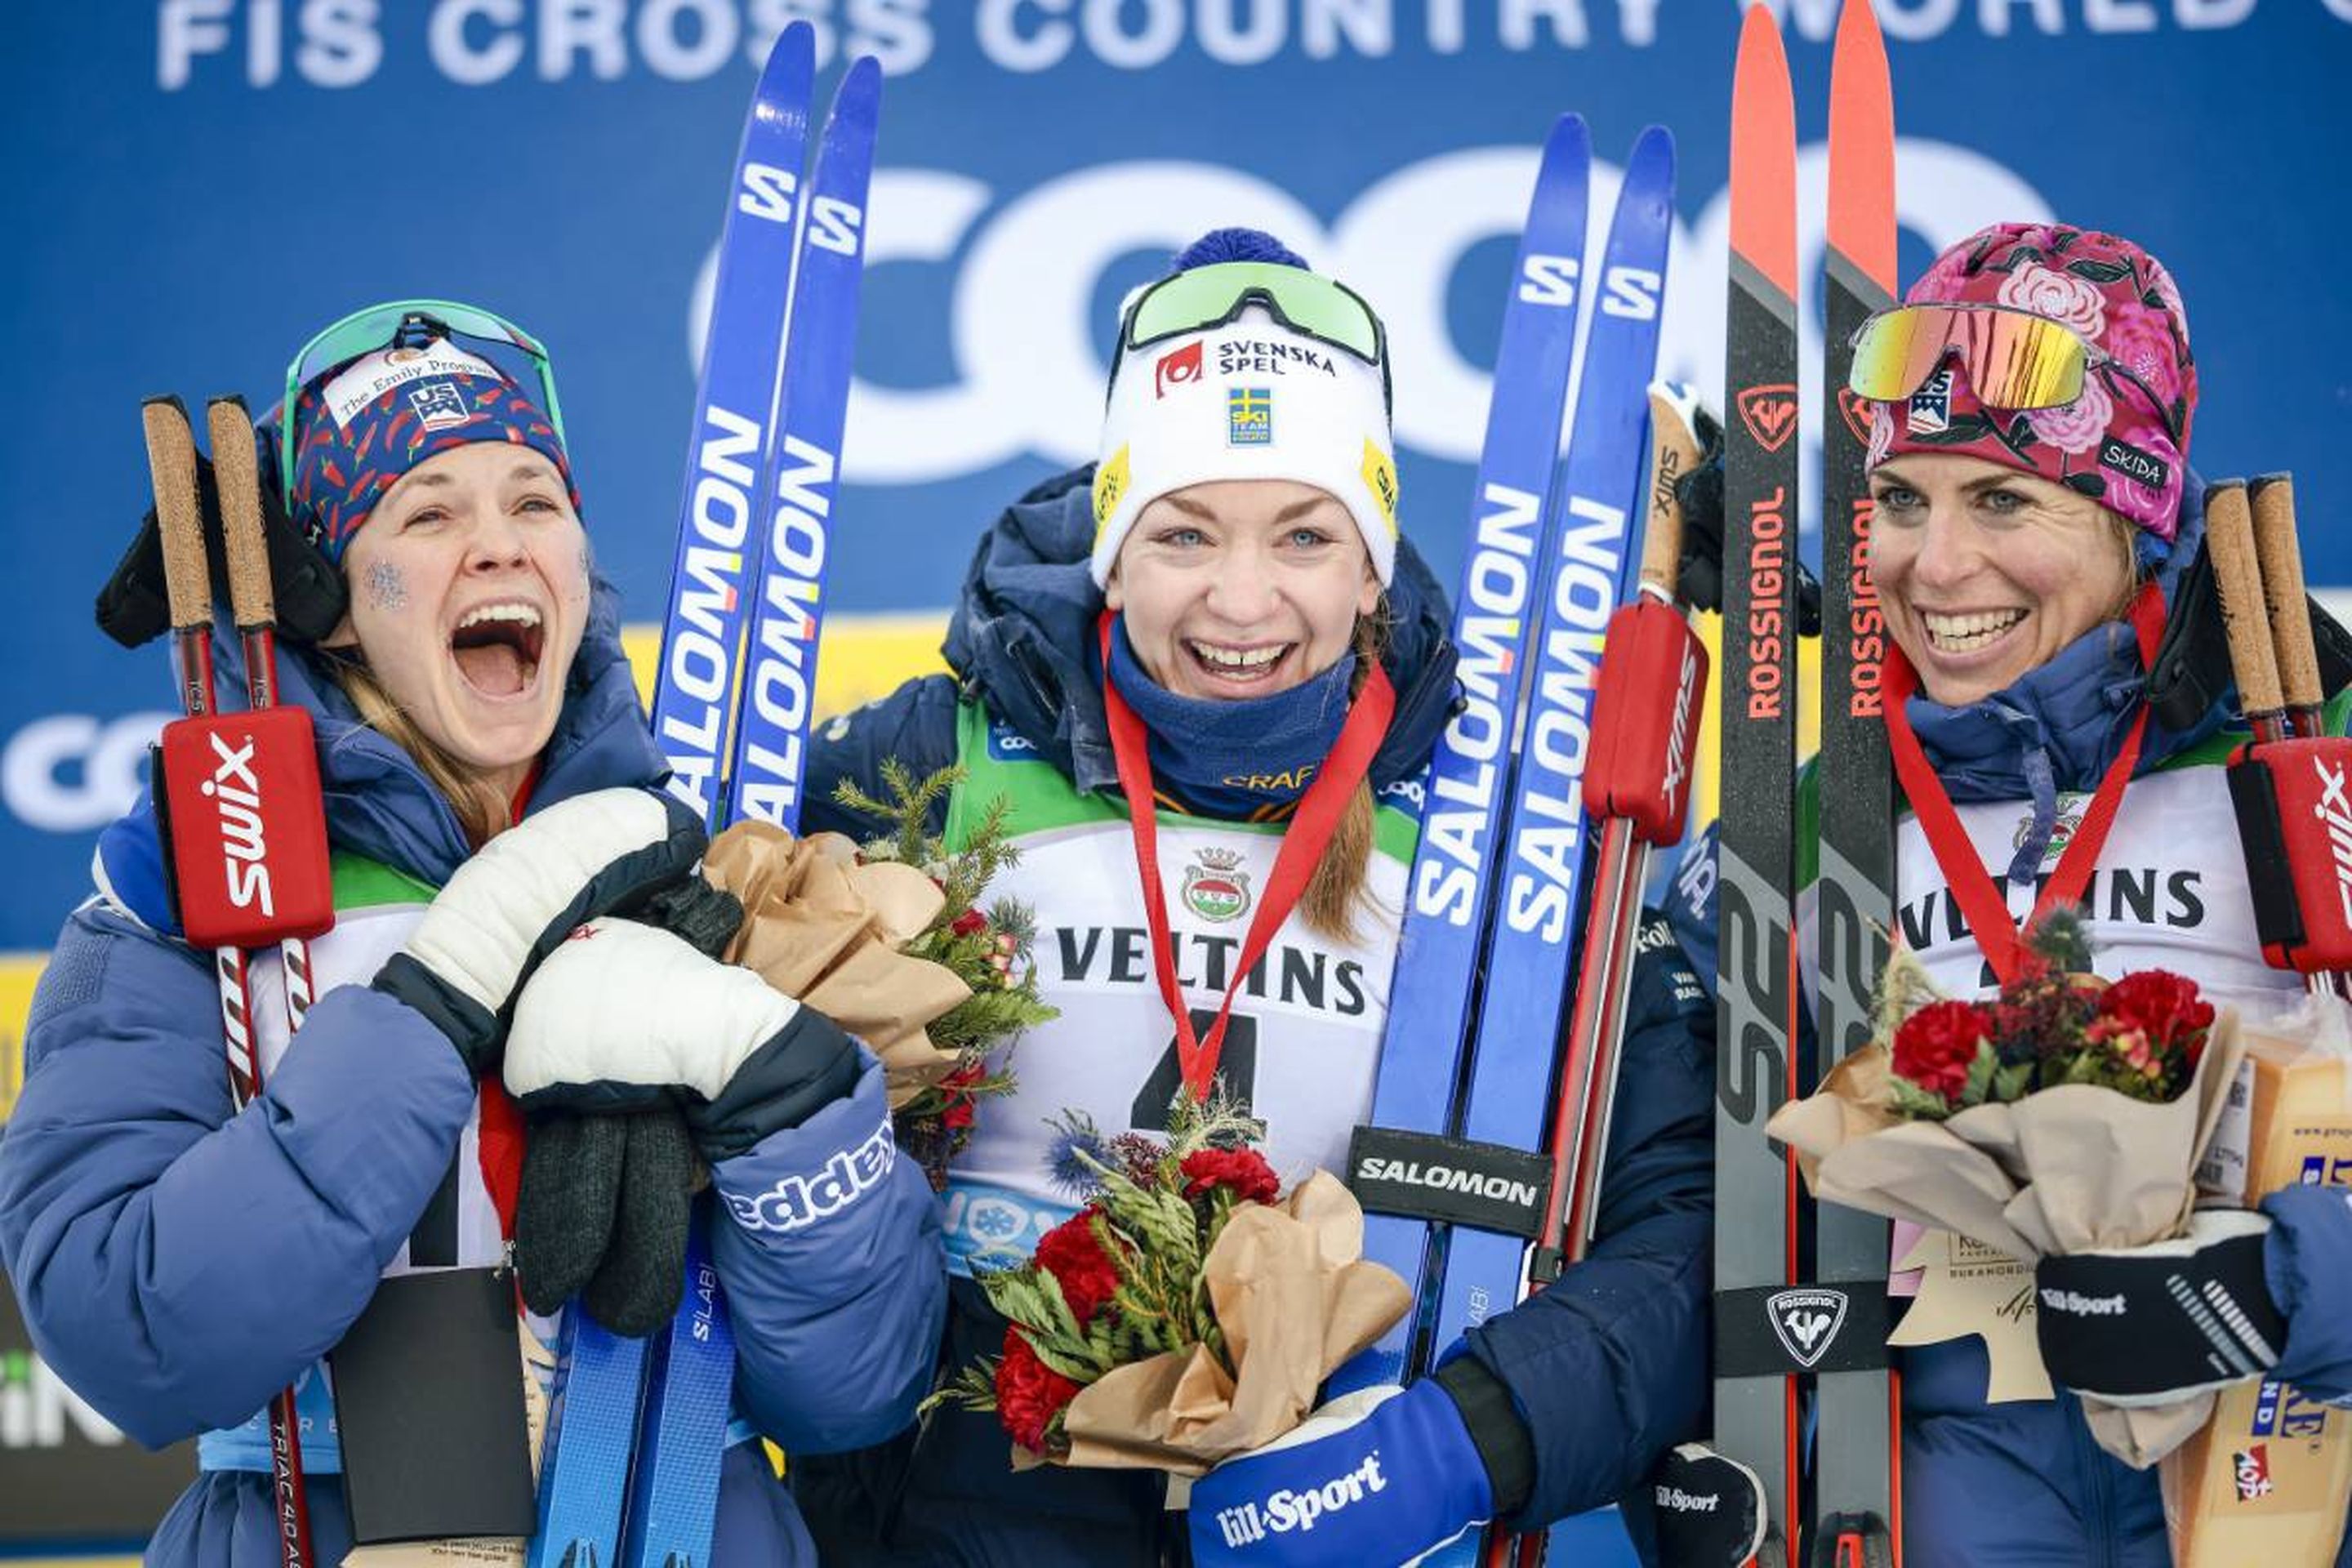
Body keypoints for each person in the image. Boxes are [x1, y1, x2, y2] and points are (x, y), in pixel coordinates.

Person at [791, 229, 1716, 1566]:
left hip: (1333, 1494)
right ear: (1113, 550)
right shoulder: (926, 762)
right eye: (1181, 533)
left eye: (1304, 535)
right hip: (973, 1492)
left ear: (1372, 566)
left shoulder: (1495, 825)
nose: (1241, 597)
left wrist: (1472, 1439)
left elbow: (1675, 1214)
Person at [0, 303, 944, 1566]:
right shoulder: (186, 892)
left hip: (681, 1523)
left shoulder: (712, 859)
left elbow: (855, 1394)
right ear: (333, 607)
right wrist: (433, 1006)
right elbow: (132, 1338)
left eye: (534, 503)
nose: (498, 547)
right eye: (430, 513)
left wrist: (790, 1094)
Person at [1674, 220, 2352, 1565]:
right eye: (1903, 501)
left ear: (2133, 511)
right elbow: (1693, 1192)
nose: (1933, 569)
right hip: (1945, 1469)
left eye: (2001, 502)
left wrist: (2284, 1285)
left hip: (2283, 1445)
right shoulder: (1813, 819)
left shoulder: (2305, 746)